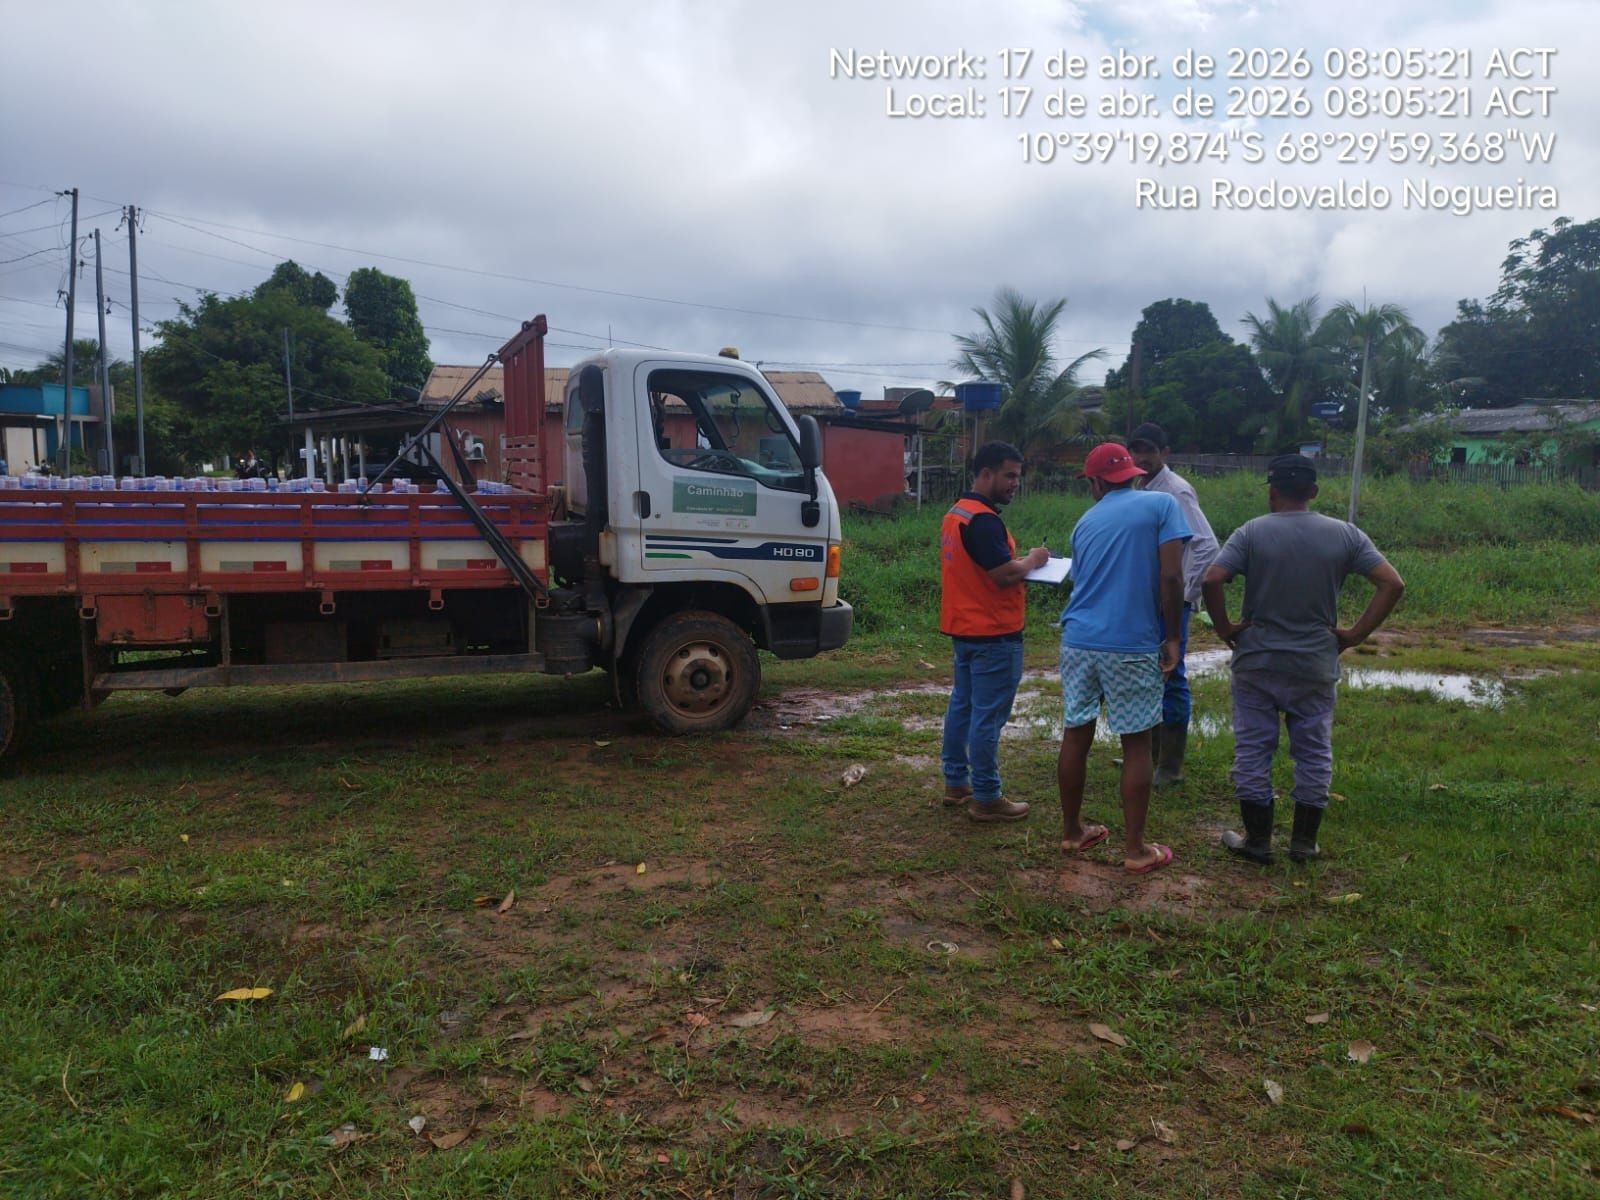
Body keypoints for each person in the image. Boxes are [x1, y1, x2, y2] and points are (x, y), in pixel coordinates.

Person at [1201, 454, 1406, 864]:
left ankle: (1257, 840)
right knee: (1313, 750)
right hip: (1314, 662)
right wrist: (1354, 634)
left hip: (1258, 661)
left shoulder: (1250, 533)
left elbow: (1211, 578)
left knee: (1253, 749)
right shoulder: (1345, 535)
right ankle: (1303, 842)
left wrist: (1225, 628)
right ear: (1313, 491)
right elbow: (1391, 583)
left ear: (1272, 492)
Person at [1056, 442, 1190, 874]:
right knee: (1135, 743)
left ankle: (1073, 832)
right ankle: (1135, 850)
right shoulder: (1161, 505)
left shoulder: (1084, 522)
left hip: (1078, 641)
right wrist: (1172, 635)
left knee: (1076, 734)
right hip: (1130, 645)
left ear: (1095, 482)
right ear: (1132, 473)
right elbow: (1171, 574)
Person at [939, 442, 1050, 823]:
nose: (1015, 483)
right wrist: (1034, 560)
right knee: (986, 717)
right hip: (994, 634)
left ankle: (956, 781)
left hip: (966, 630)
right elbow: (1002, 575)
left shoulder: (957, 512)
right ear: (986, 474)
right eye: (1010, 475)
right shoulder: (984, 520)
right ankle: (986, 796)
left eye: (1018, 476)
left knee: (963, 707)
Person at [1127, 422, 1220, 787]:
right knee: (1149, 672)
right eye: (1135, 450)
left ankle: (1170, 765)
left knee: (1172, 675)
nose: (1141, 458)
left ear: (1164, 454)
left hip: (1171, 598)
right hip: (1149, 598)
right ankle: (1148, 754)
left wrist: (1184, 596)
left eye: (1148, 450)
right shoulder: (1142, 487)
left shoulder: (1176, 491)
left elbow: (1206, 545)